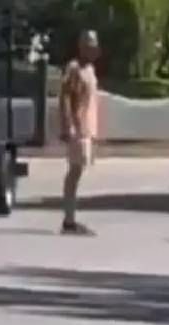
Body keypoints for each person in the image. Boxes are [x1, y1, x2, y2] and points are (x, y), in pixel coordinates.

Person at [59, 30, 101, 236]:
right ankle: (69, 220)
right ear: (81, 46)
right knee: (74, 172)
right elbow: (66, 98)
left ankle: (71, 217)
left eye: (95, 46)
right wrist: (68, 126)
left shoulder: (90, 69)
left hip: (87, 129)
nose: (93, 50)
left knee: (78, 172)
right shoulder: (74, 69)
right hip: (77, 128)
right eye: (89, 45)